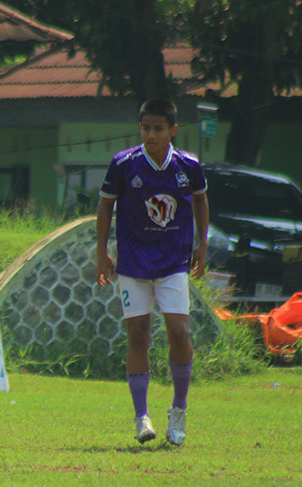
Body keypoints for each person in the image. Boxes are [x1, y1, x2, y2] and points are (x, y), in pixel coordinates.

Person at [95, 98, 209, 446]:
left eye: (158, 128)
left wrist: (202, 245)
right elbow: (105, 204)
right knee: (138, 335)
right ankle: (141, 415)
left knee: (178, 330)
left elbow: (201, 200)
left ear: (172, 130)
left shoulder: (187, 165)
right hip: (132, 262)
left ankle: (178, 409)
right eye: (146, 127)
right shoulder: (124, 164)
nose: (151, 134)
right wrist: (101, 252)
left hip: (174, 261)